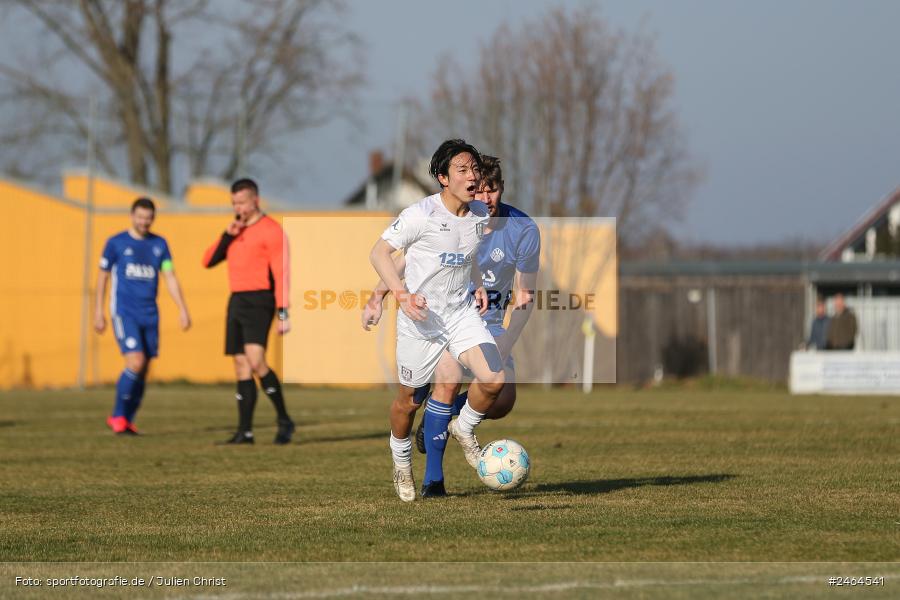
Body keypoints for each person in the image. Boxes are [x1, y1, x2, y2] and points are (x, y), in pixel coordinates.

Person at [365, 156, 540, 461]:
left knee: (503, 399)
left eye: (493, 189)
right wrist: (377, 296)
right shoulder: (456, 217)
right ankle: (434, 481)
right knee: (447, 380)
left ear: (502, 189)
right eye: (480, 190)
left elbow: (526, 296)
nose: (486, 198)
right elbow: (407, 258)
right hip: (448, 316)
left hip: (493, 322)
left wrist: (508, 341)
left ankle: (448, 416)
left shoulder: (521, 228)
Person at [368, 139, 505, 501]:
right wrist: (395, 294)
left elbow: (465, 254)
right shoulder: (420, 215)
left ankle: (464, 428)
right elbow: (380, 253)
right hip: (421, 320)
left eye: (474, 169)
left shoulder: (478, 214)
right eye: (462, 170)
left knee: (493, 379)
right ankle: (400, 463)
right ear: (443, 178)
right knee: (408, 404)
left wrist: (475, 283)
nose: (472, 176)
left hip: (459, 314)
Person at [202, 178, 295, 445]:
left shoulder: (272, 230)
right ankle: (245, 431)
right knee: (241, 364)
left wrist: (283, 311)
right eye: (234, 203)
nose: (238, 207)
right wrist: (227, 235)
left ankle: (284, 420)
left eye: (242, 201)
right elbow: (207, 261)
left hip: (260, 300)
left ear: (255, 200)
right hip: (237, 300)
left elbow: (281, 273)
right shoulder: (235, 229)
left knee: (256, 360)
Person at [94, 198, 191, 434]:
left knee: (145, 367)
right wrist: (98, 311)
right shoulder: (116, 243)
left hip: (150, 313)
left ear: (153, 219)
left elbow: (169, 275)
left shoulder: (159, 245)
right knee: (135, 361)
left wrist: (182, 309)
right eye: (140, 217)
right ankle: (117, 416)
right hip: (124, 312)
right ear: (132, 216)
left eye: (148, 218)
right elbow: (102, 277)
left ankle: (128, 419)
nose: (144, 222)